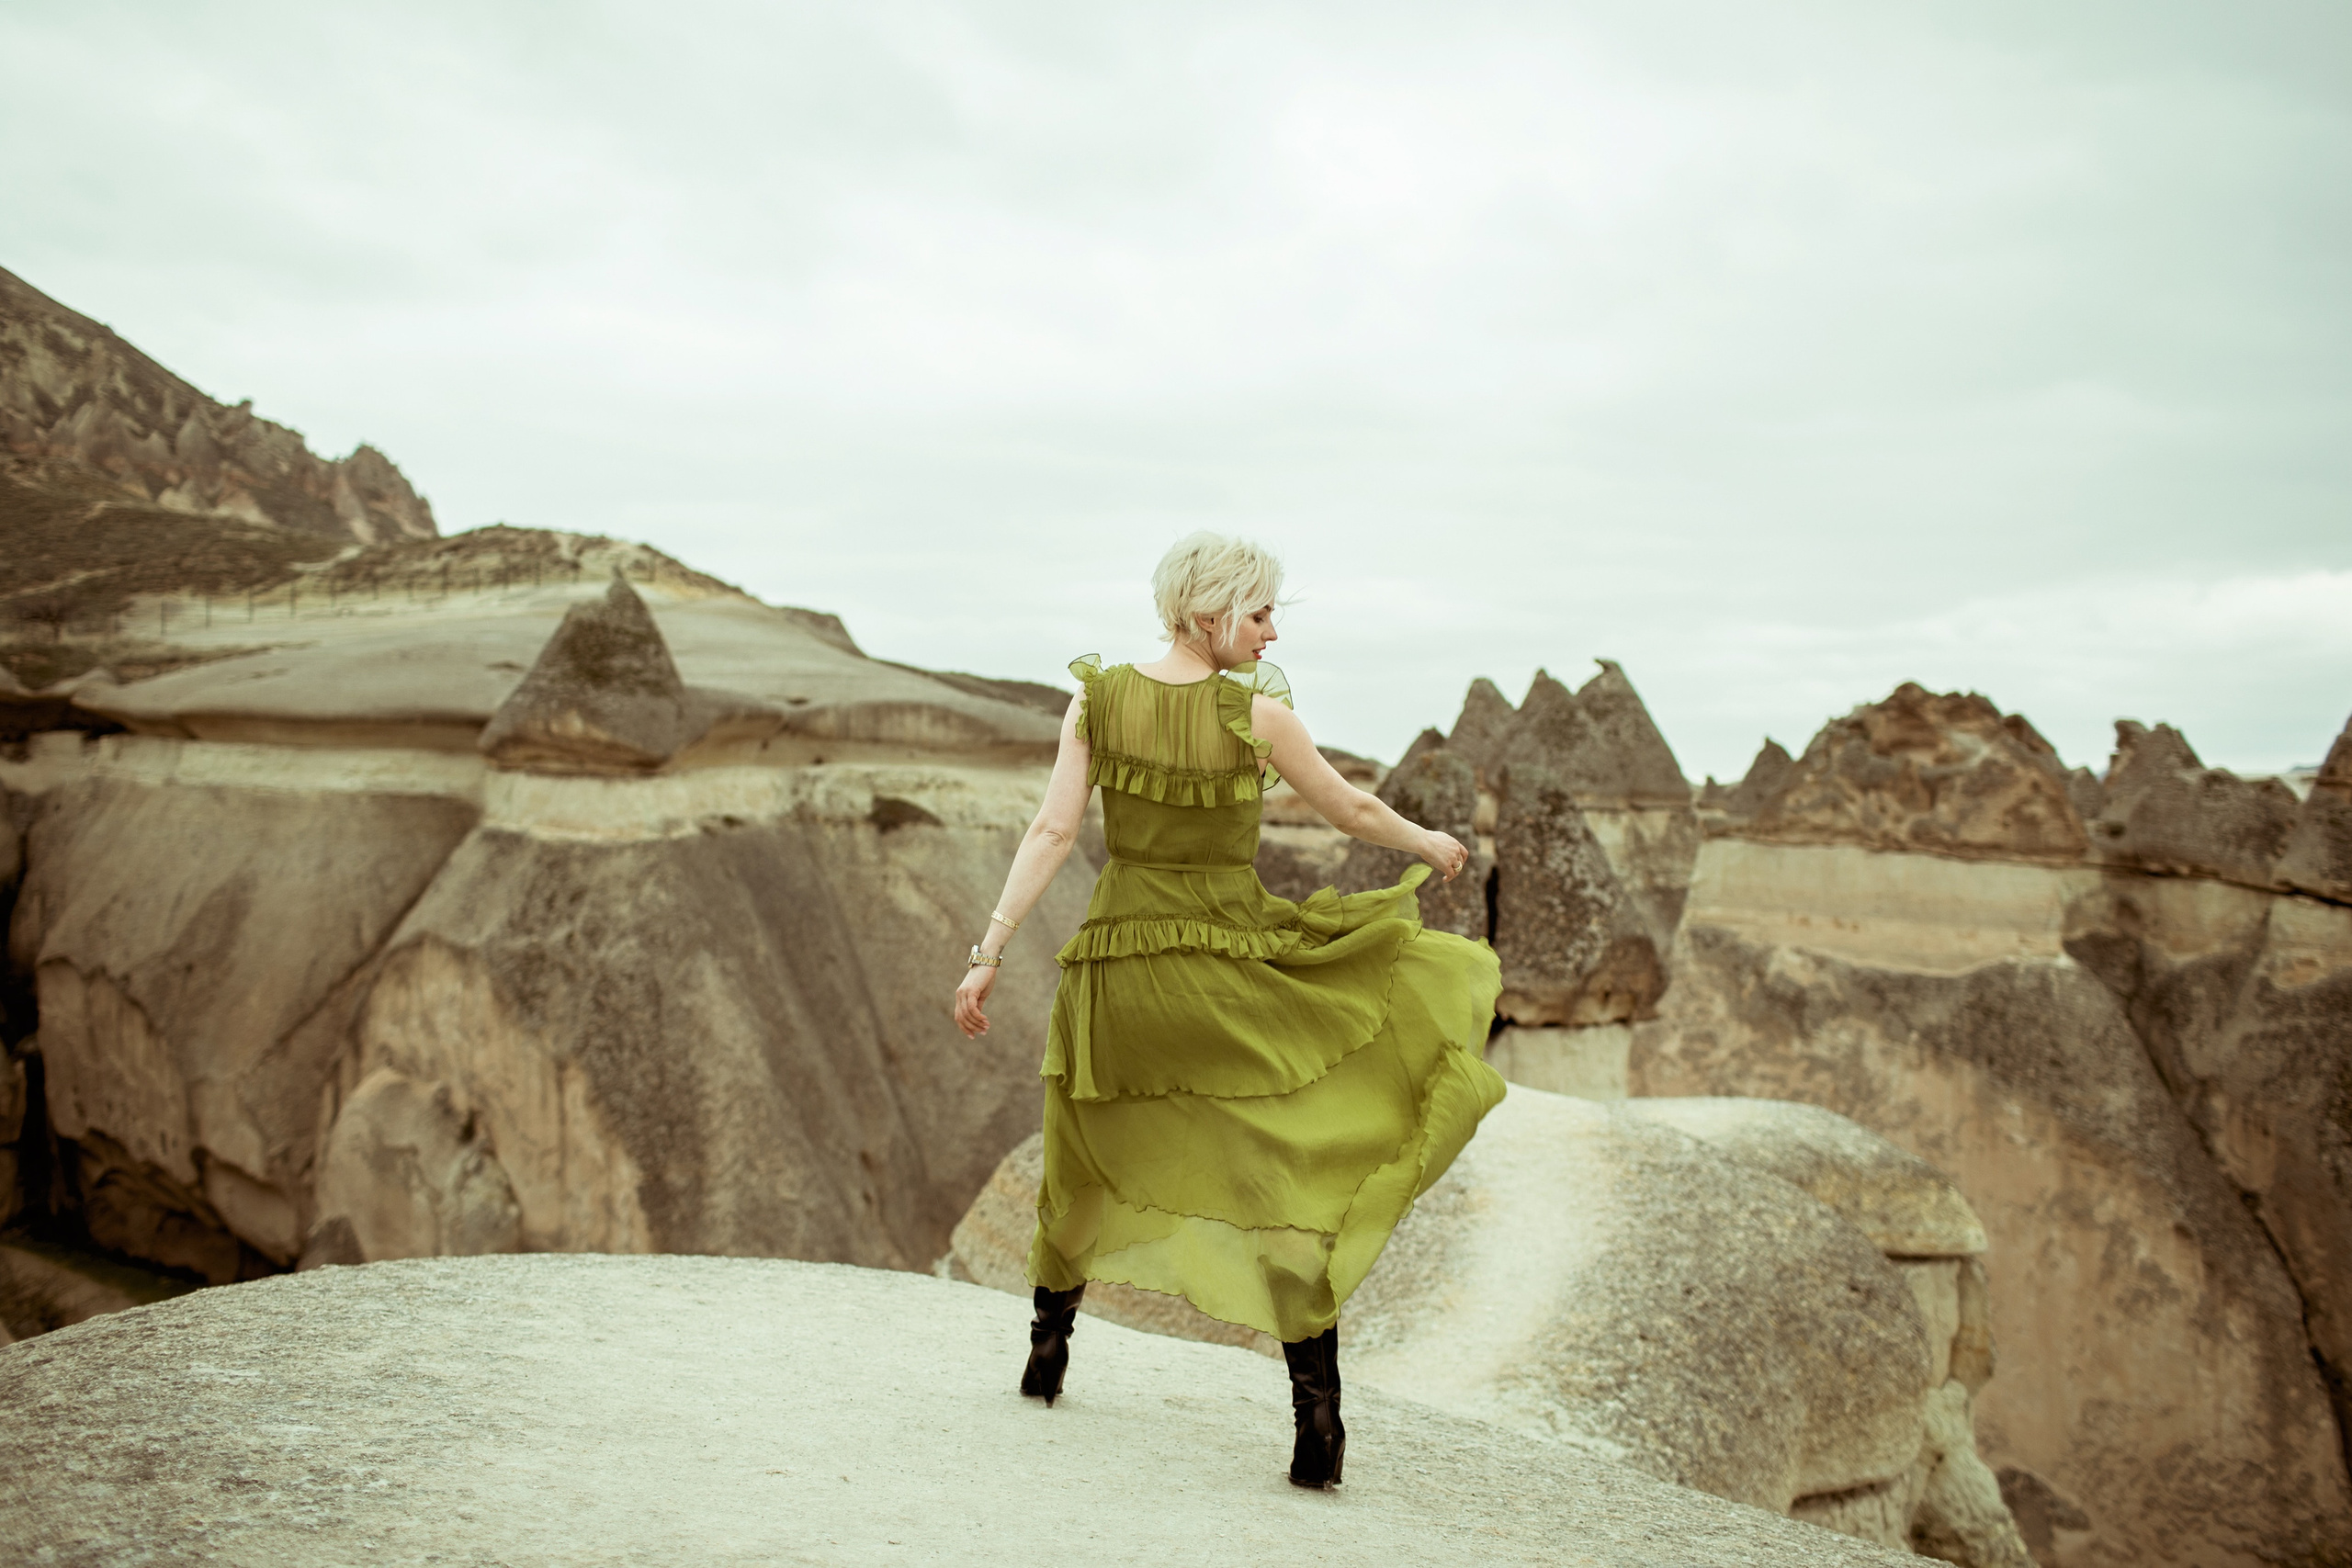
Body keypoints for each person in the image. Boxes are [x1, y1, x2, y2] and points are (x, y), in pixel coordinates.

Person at [952, 531, 1506, 1488]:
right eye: (1258, 613)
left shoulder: (1095, 700)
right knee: (1277, 1174)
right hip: (1224, 971)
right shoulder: (1258, 715)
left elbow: (1052, 831)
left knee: (1083, 1160)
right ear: (1208, 612)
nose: (1271, 632)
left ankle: (1047, 1353)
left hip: (1118, 974)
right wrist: (1428, 842)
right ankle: (1316, 1420)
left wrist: (987, 954)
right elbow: (1350, 810)